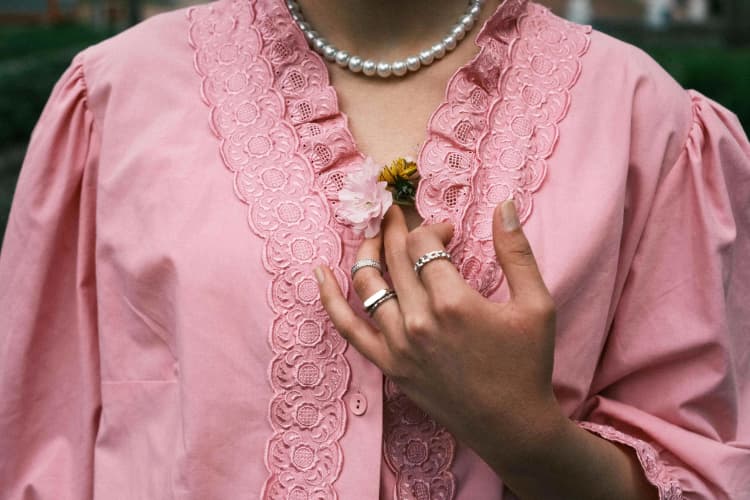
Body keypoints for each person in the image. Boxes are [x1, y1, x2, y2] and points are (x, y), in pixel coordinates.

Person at [0, 0, 748, 498]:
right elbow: (36, 451)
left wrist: (524, 434)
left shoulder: (642, 121)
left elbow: (706, 470)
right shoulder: (116, 98)